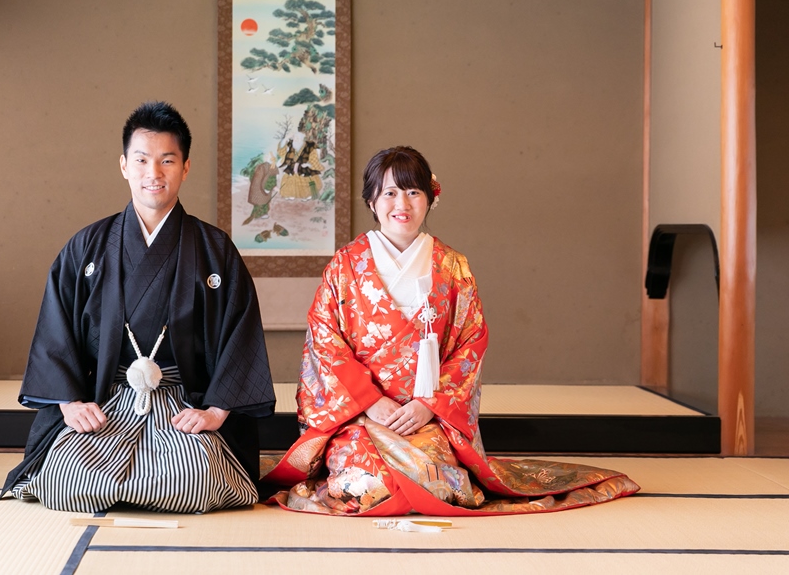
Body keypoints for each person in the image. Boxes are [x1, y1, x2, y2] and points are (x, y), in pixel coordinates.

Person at [263, 146, 639, 516]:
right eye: (390, 193)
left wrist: (427, 405)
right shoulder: (344, 266)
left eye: (413, 192)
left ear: (430, 198)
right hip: (360, 416)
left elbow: (470, 342)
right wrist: (370, 401)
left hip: (426, 414)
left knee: (443, 485)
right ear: (371, 201)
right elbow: (325, 341)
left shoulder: (453, 267)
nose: (402, 204)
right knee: (365, 486)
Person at [1, 101, 276, 514]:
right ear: (124, 165)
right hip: (107, 400)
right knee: (67, 481)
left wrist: (217, 411)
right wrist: (70, 404)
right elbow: (55, 332)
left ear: (185, 167)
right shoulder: (87, 246)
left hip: (182, 402)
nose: (154, 173)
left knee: (196, 481)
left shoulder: (214, 249)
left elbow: (242, 334)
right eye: (142, 160)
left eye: (167, 160)